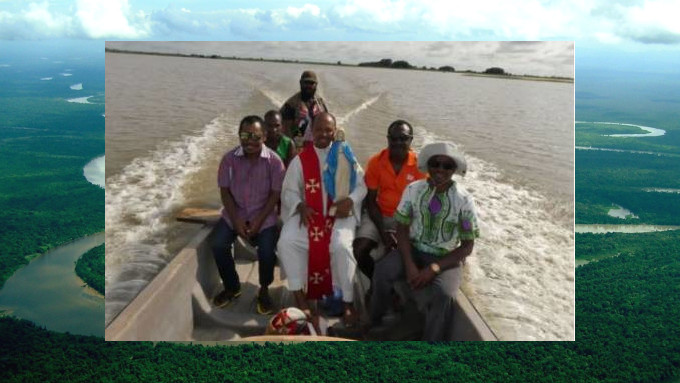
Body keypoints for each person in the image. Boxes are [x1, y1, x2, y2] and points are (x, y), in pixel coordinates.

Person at [369, 142, 480, 341]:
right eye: (435, 163)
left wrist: (434, 268)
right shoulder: (413, 189)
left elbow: (467, 246)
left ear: (454, 170)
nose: (440, 169)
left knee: (444, 295)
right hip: (413, 249)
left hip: (446, 259)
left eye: (447, 166)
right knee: (382, 271)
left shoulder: (464, 200)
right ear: (427, 166)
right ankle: (374, 323)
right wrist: (410, 264)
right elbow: (402, 228)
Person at [277, 112, 367, 330]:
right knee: (286, 242)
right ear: (312, 131)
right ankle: (300, 298)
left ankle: (347, 302)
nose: (324, 134)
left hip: (339, 216)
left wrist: (352, 200)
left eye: (329, 130)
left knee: (341, 247)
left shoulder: (346, 155)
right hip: (311, 214)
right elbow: (288, 191)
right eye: (319, 129)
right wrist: (300, 206)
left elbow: (361, 185)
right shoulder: (301, 160)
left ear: (335, 131)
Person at [211, 115, 285, 315]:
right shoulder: (228, 159)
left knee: (267, 251)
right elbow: (225, 191)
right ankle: (232, 287)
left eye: (255, 136)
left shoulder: (275, 162)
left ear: (265, 136)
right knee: (218, 243)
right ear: (239, 135)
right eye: (245, 135)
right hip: (235, 213)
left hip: (264, 215)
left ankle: (263, 290)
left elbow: (275, 194)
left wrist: (259, 221)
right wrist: (236, 221)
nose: (249, 140)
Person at [353, 120, 426, 279]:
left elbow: (420, 206)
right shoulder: (375, 162)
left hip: (406, 219)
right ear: (388, 139)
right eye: (394, 138)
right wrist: (384, 234)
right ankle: (375, 283)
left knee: (406, 255)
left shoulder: (420, 167)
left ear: (411, 140)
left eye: (403, 138)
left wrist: (400, 232)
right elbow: (371, 201)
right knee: (359, 250)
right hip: (378, 214)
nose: (398, 142)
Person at [280, 70, 329, 150]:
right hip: (297, 146)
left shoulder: (320, 102)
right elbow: (285, 131)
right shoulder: (291, 104)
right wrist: (292, 149)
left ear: (316, 85)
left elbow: (327, 120)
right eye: (306, 83)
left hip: (317, 145)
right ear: (300, 83)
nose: (309, 86)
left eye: (312, 83)